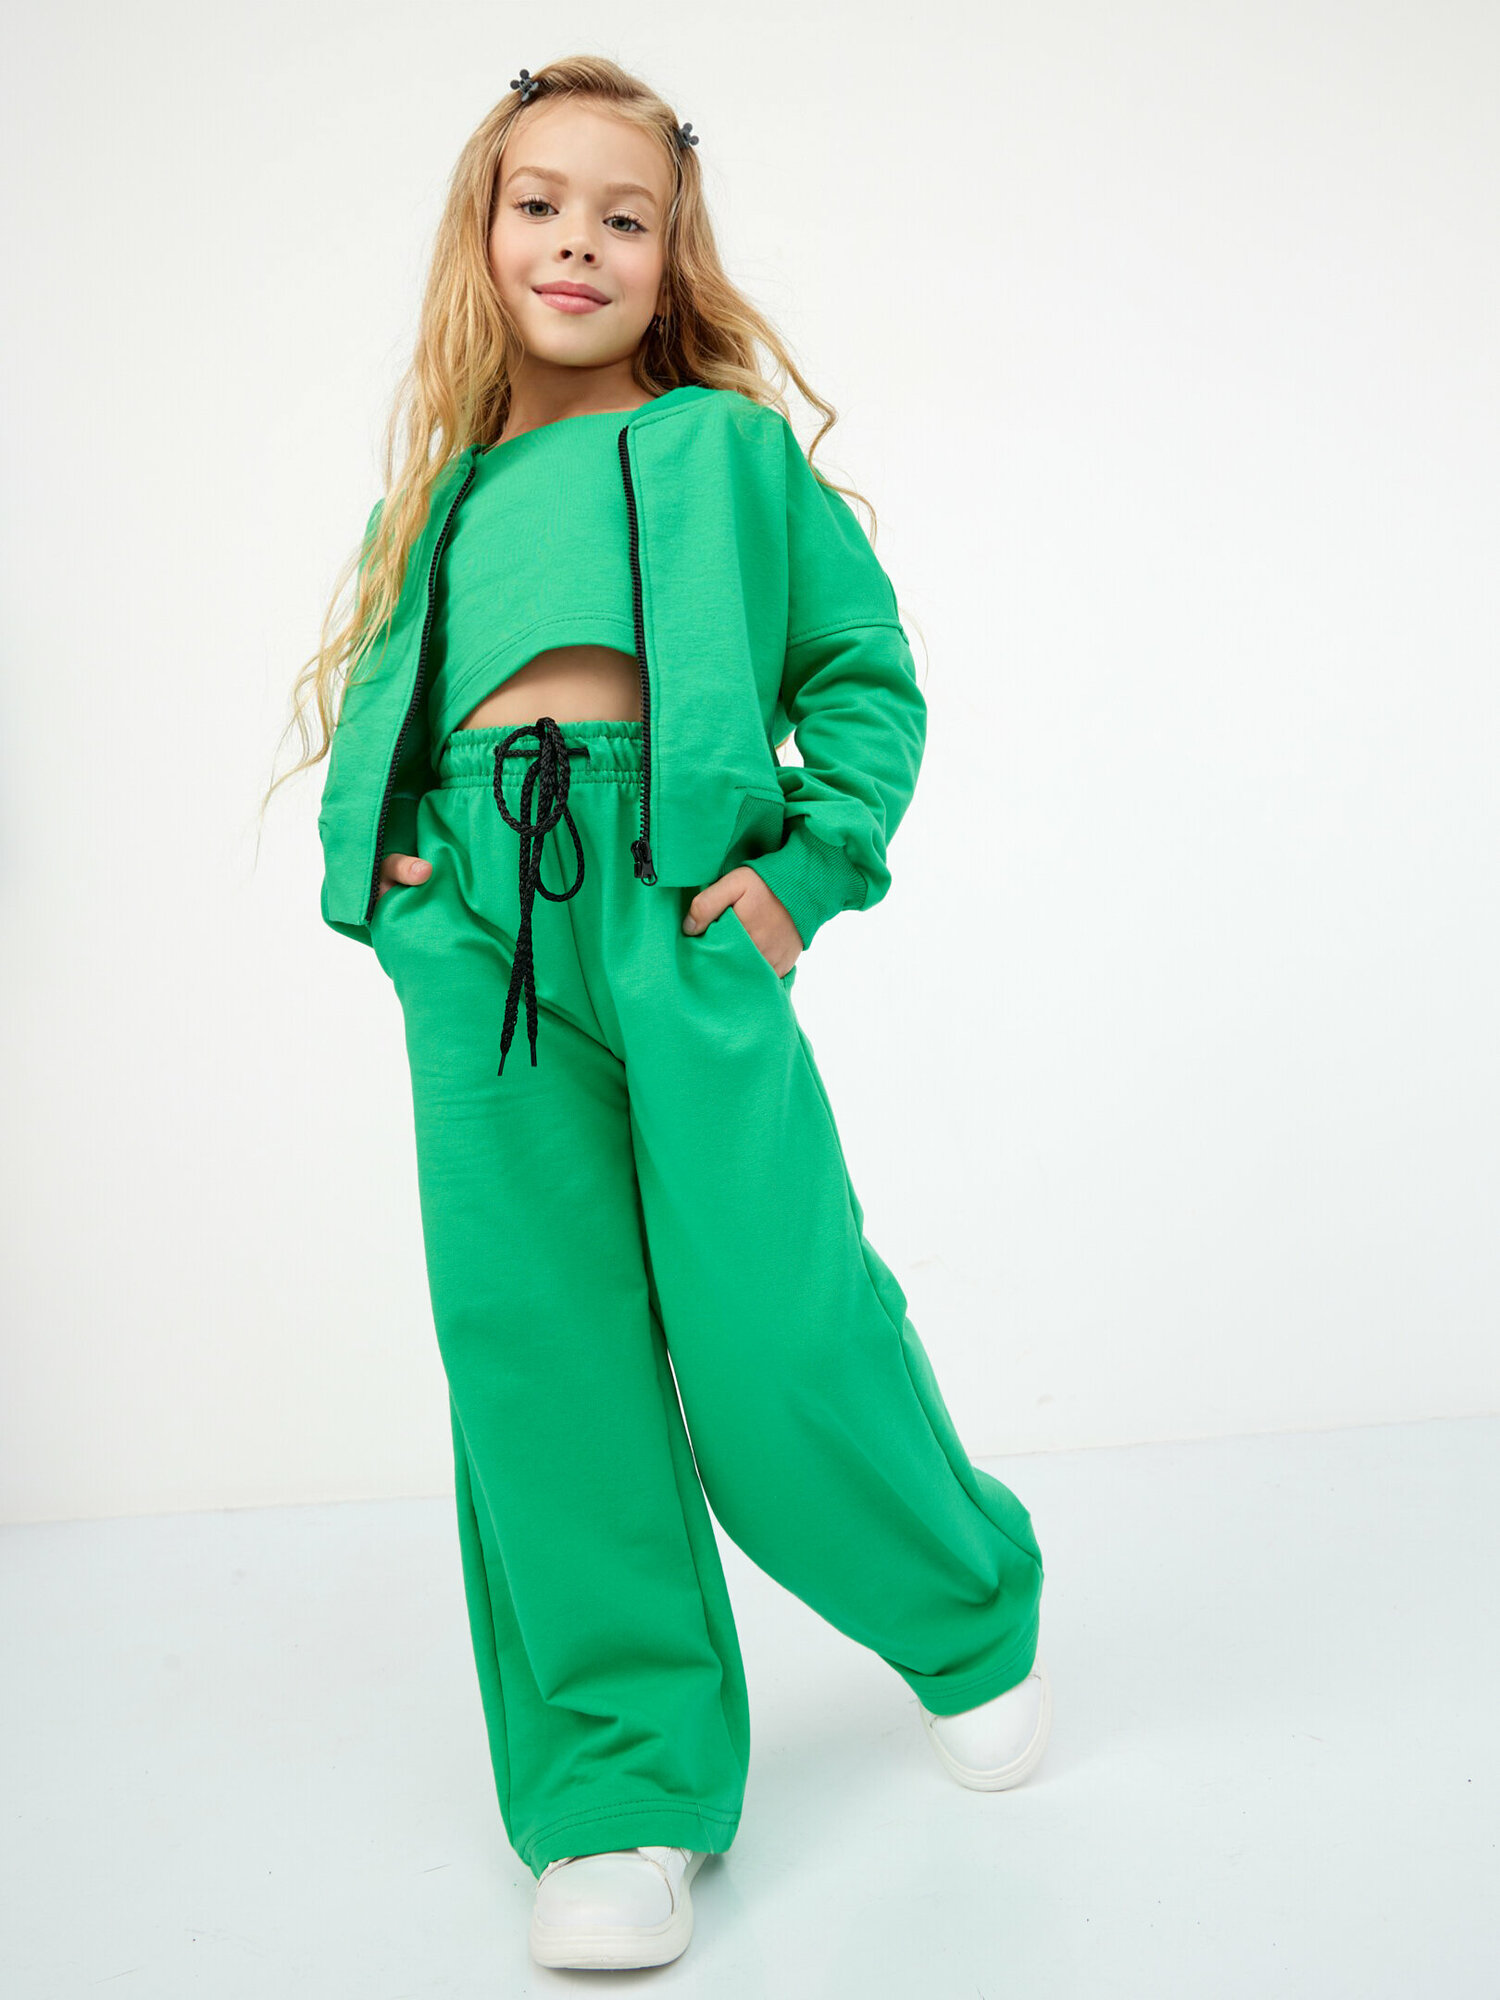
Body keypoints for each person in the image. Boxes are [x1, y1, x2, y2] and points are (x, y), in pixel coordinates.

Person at [270, 52, 1051, 1975]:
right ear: (482, 235)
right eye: (540, 204)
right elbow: (383, 704)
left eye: (624, 216)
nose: (579, 242)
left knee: (778, 1316)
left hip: (682, 914)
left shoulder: (728, 453)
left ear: (671, 253)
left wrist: (804, 871)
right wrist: (390, 881)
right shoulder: (434, 502)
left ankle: (964, 1608)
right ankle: (621, 1788)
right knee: (538, 1354)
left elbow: (862, 673)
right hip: (482, 940)